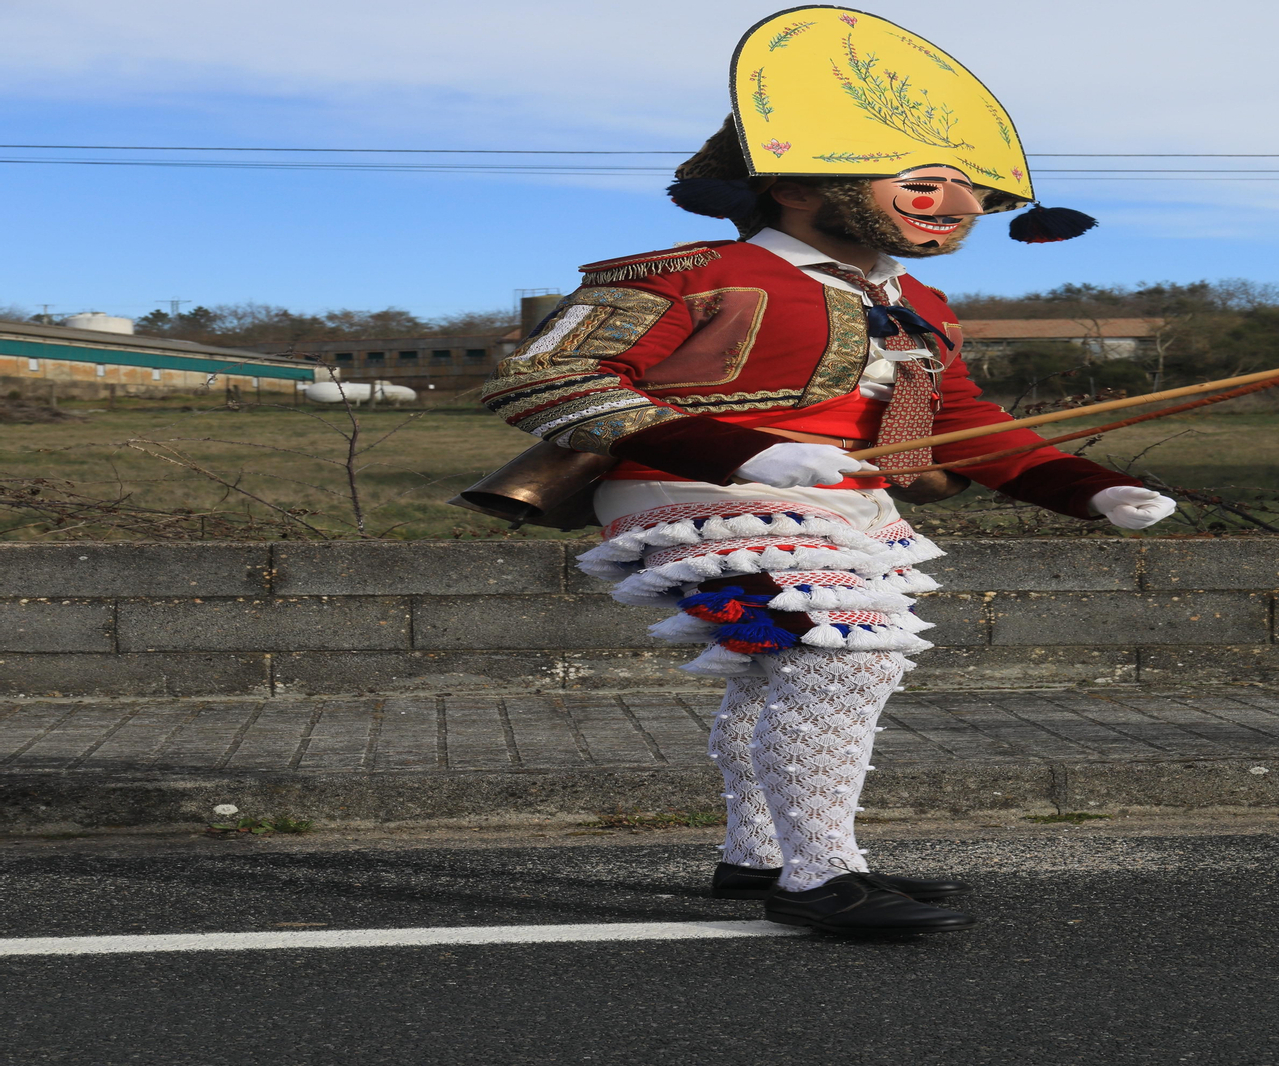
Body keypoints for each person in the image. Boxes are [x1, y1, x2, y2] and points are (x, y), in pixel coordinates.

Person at [480, 6, 1176, 933]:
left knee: (782, 671)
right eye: (928, 186)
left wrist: (1085, 488)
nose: (965, 210)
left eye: (967, 190)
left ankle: (758, 860)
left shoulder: (917, 300)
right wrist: (747, 450)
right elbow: (547, 379)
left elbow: (962, 420)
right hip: (695, 499)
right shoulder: (680, 274)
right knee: (850, 656)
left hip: (849, 508)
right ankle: (822, 878)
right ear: (805, 187)